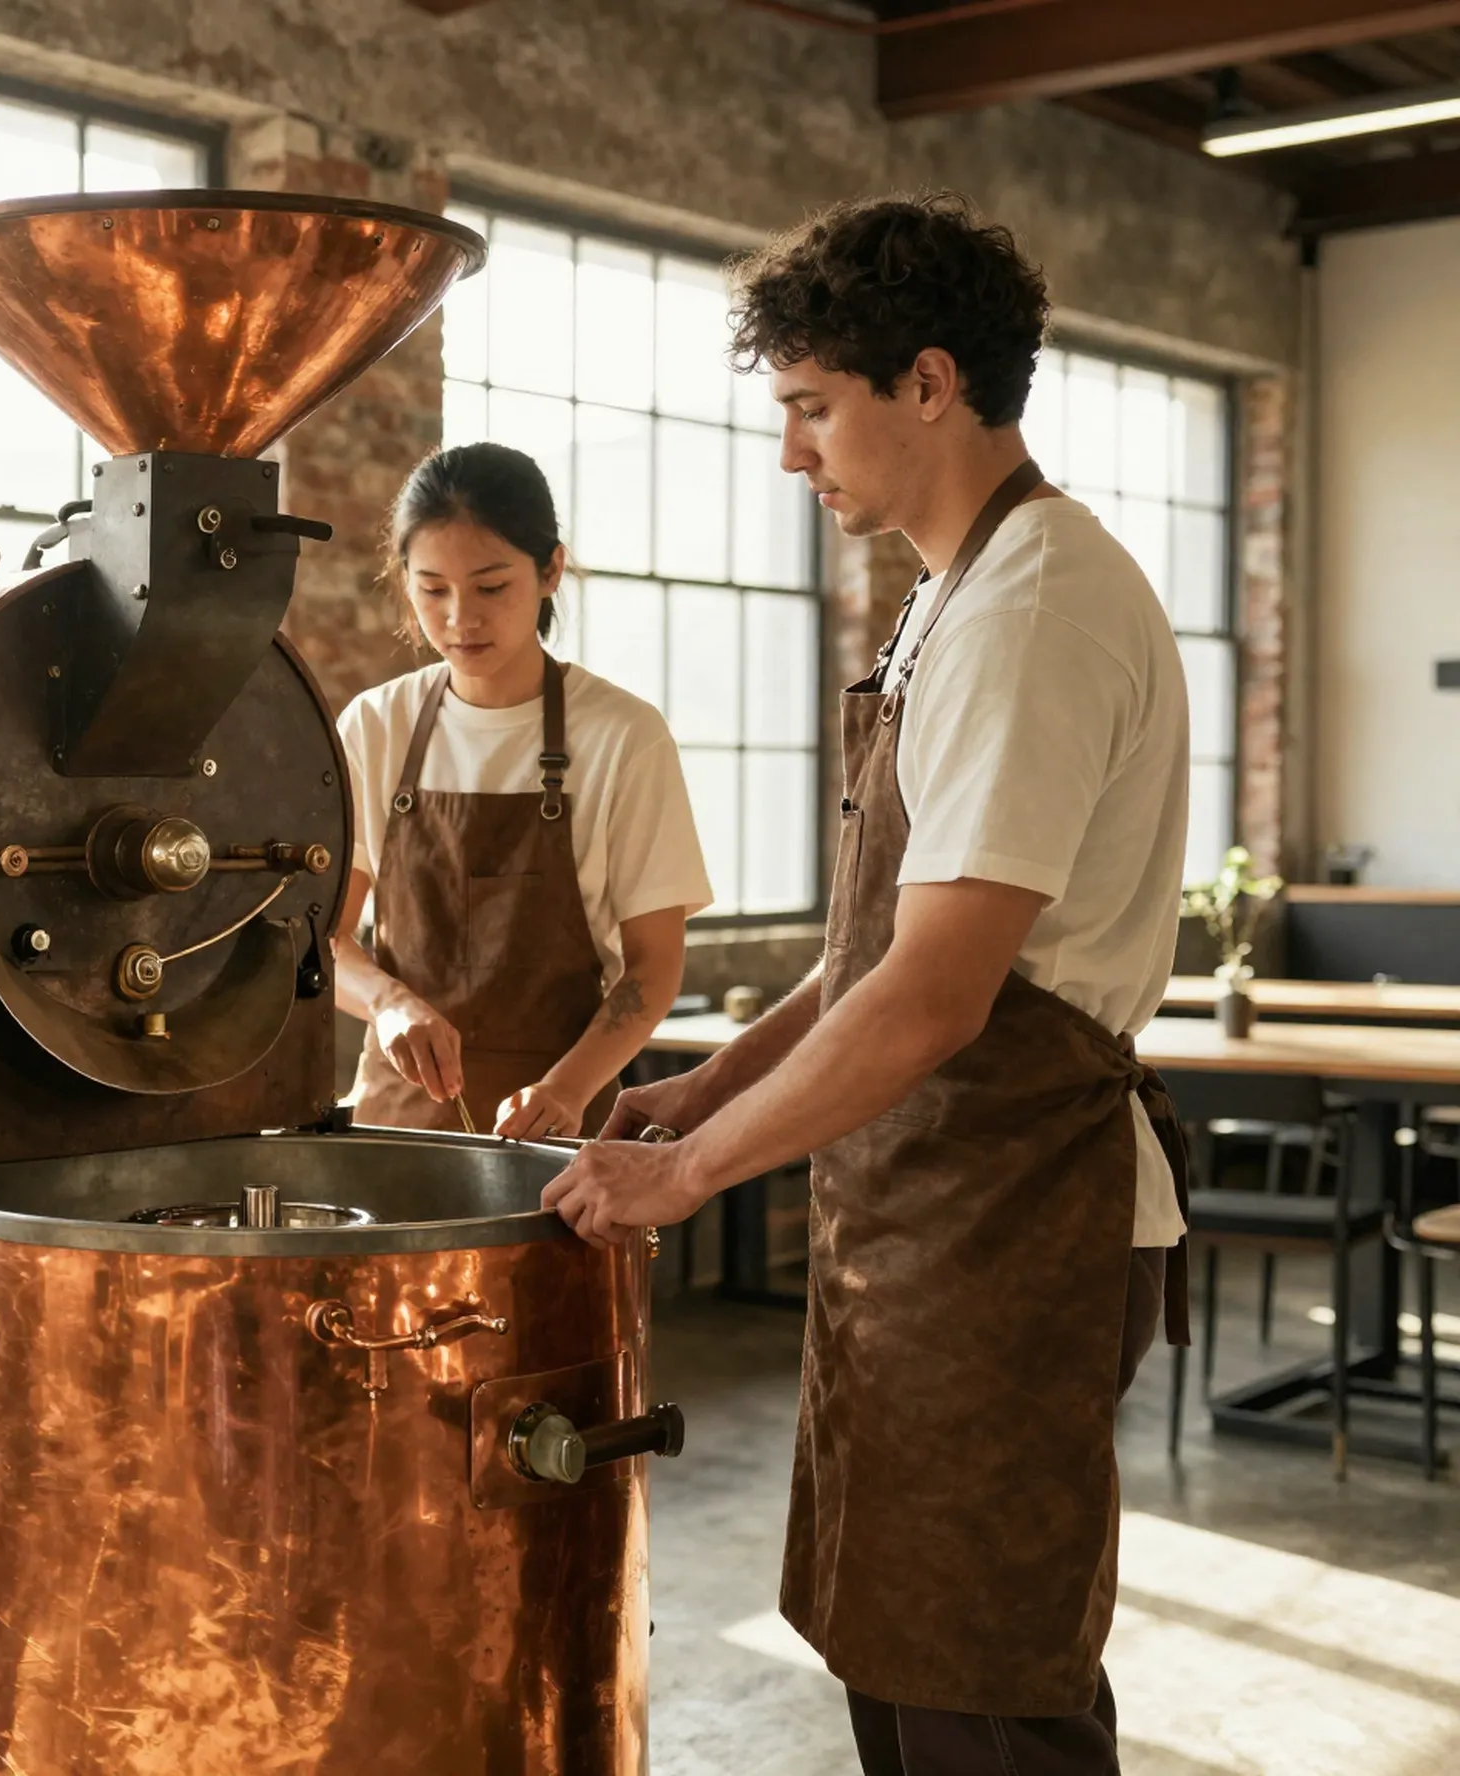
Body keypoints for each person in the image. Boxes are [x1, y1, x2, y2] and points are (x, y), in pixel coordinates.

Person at [543, 194, 1194, 1776]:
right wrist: (704, 1084)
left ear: (928, 382)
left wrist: (689, 1172)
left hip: (1020, 1212)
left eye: (809, 409)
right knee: (899, 1653)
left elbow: (938, 996)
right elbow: (867, 947)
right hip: (925, 1212)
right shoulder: (948, 596)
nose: (791, 456)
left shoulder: (1031, 608)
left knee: (982, 1680)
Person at [334, 443, 713, 1139]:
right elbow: (320, 941)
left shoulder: (624, 735)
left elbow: (654, 969)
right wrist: (388, 1003)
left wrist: (564, 1091)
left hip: (559, 1132)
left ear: (550, 571)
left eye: (491, 586)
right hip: (396, 1131)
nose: (459, 618)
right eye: (432, 588)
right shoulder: (373, 726)